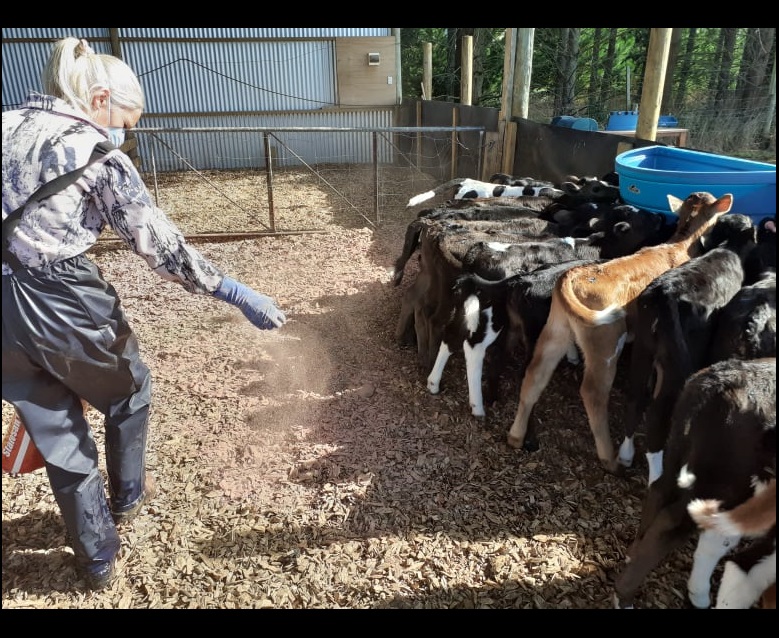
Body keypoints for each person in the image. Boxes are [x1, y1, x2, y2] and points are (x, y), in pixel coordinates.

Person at [1, 36, 287, 591]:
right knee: (128, 391)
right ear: (100, 97)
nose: (124, 134)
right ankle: (128, 497)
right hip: (62, 301)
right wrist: (230, 289)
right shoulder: (92, 149)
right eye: (126, 123)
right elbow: (158, 244)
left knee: (58, 430)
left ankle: (96, 558)